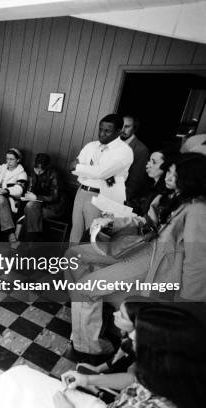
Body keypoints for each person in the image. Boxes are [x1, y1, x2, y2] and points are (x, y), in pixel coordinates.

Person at [65, 153, 206, 358]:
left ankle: (88, 343)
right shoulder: (167, 197)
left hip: (157, 265)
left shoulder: (197, 210)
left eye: (175, 175)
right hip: (141, 249)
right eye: (169, 171)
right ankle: (87, 324)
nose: (168, 177)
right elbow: (145, 222)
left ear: (191, 179)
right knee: (74, 257)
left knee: (86, 288)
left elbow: (197, 263)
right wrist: (111, 222)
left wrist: (186, 306)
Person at [0, 303, 206, 408]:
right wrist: (88, 379)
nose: (132, 341)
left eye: (138, 341)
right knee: (19, 377)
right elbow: (134, 379)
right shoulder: (163, 378)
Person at [69, 114, 134, 242]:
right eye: (100, 129)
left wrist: (81, 167)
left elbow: (102, 173)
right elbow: (72, 167)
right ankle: (70, 262)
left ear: (118, 131)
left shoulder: (124, 151)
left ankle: (88, 262)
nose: (102, 134)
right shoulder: (91, 146)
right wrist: (87, 169)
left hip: (101, 196)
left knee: (93, 236)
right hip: (81, 192)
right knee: (75, 232)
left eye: (107, 131)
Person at [16, 153, 65, 241]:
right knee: (28, 208)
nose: (38, 171)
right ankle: (30, 244)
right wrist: (28, 196)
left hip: (53, 207)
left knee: (29, 210)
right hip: (36, 203)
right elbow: (30, 189)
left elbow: (55, 197)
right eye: (36, 168)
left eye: (41, 170)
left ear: (47, 167)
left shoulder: (54, 175)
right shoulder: (33, 172)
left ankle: (22, 242)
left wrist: (37, 198)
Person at [126, 149, 174, 216]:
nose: (148, 165)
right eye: (149, 160)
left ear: (166, 166)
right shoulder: (149, 184)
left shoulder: (163, 194)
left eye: (154, 162)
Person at [121, 115, 150, 202]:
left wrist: (123, 199)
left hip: (121, 196)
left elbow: (135, 180)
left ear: (134, 129)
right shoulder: (113, 143)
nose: (122, 129)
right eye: (121, 125)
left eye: (127, 126)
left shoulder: (141, 149)